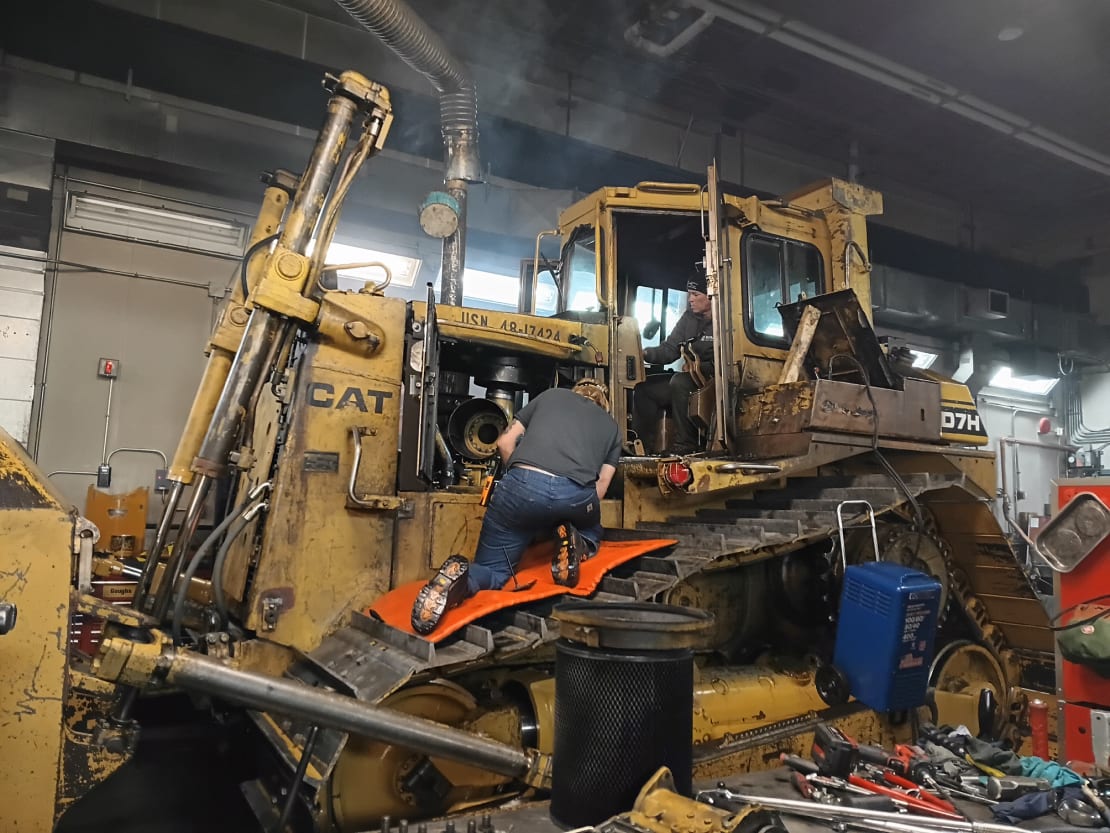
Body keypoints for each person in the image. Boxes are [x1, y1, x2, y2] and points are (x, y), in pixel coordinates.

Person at [411, 378, 621, 635]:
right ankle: (578, 543)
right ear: (604, 404)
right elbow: (600, 488)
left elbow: (503, 443)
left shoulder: (551, 395)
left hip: (520, 488)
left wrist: (521, 481)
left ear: (575, 391)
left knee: (495, 570)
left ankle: (461, 581)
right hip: (574, 497)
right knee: (591, 528)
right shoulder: (612, 428)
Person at [633, 268, 715, 455]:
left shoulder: (725, 319)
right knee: (644, 389)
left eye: (695, 294)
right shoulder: (688, 319)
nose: (690, 299)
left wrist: (698, 367)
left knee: (679, 382)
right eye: (689, 294)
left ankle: (686, 445)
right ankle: (643, 448)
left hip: (714, 378)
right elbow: (670, 349)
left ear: (710, 296)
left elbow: (728, 360)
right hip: (693, 376)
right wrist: (644, 353)